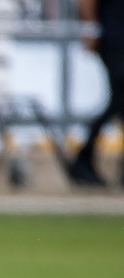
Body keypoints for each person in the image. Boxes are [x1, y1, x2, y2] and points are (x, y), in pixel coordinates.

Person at [69, 0, 124, 187]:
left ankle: (85, 160)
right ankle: (83, 159)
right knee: (118, 100)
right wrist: (91, 28)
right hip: (114, 39)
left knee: (119, 104)